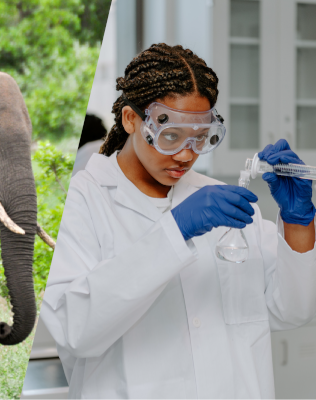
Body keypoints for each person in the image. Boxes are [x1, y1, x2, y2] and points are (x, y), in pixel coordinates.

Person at [41, 43, 316, 399]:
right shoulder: (81, 199)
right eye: (171, 136)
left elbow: (294, 310)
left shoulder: (219, 201)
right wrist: (175, 231)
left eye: (200, 138)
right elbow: (72, 329)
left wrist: (298, 224)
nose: (187, 154)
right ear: (131, 119)